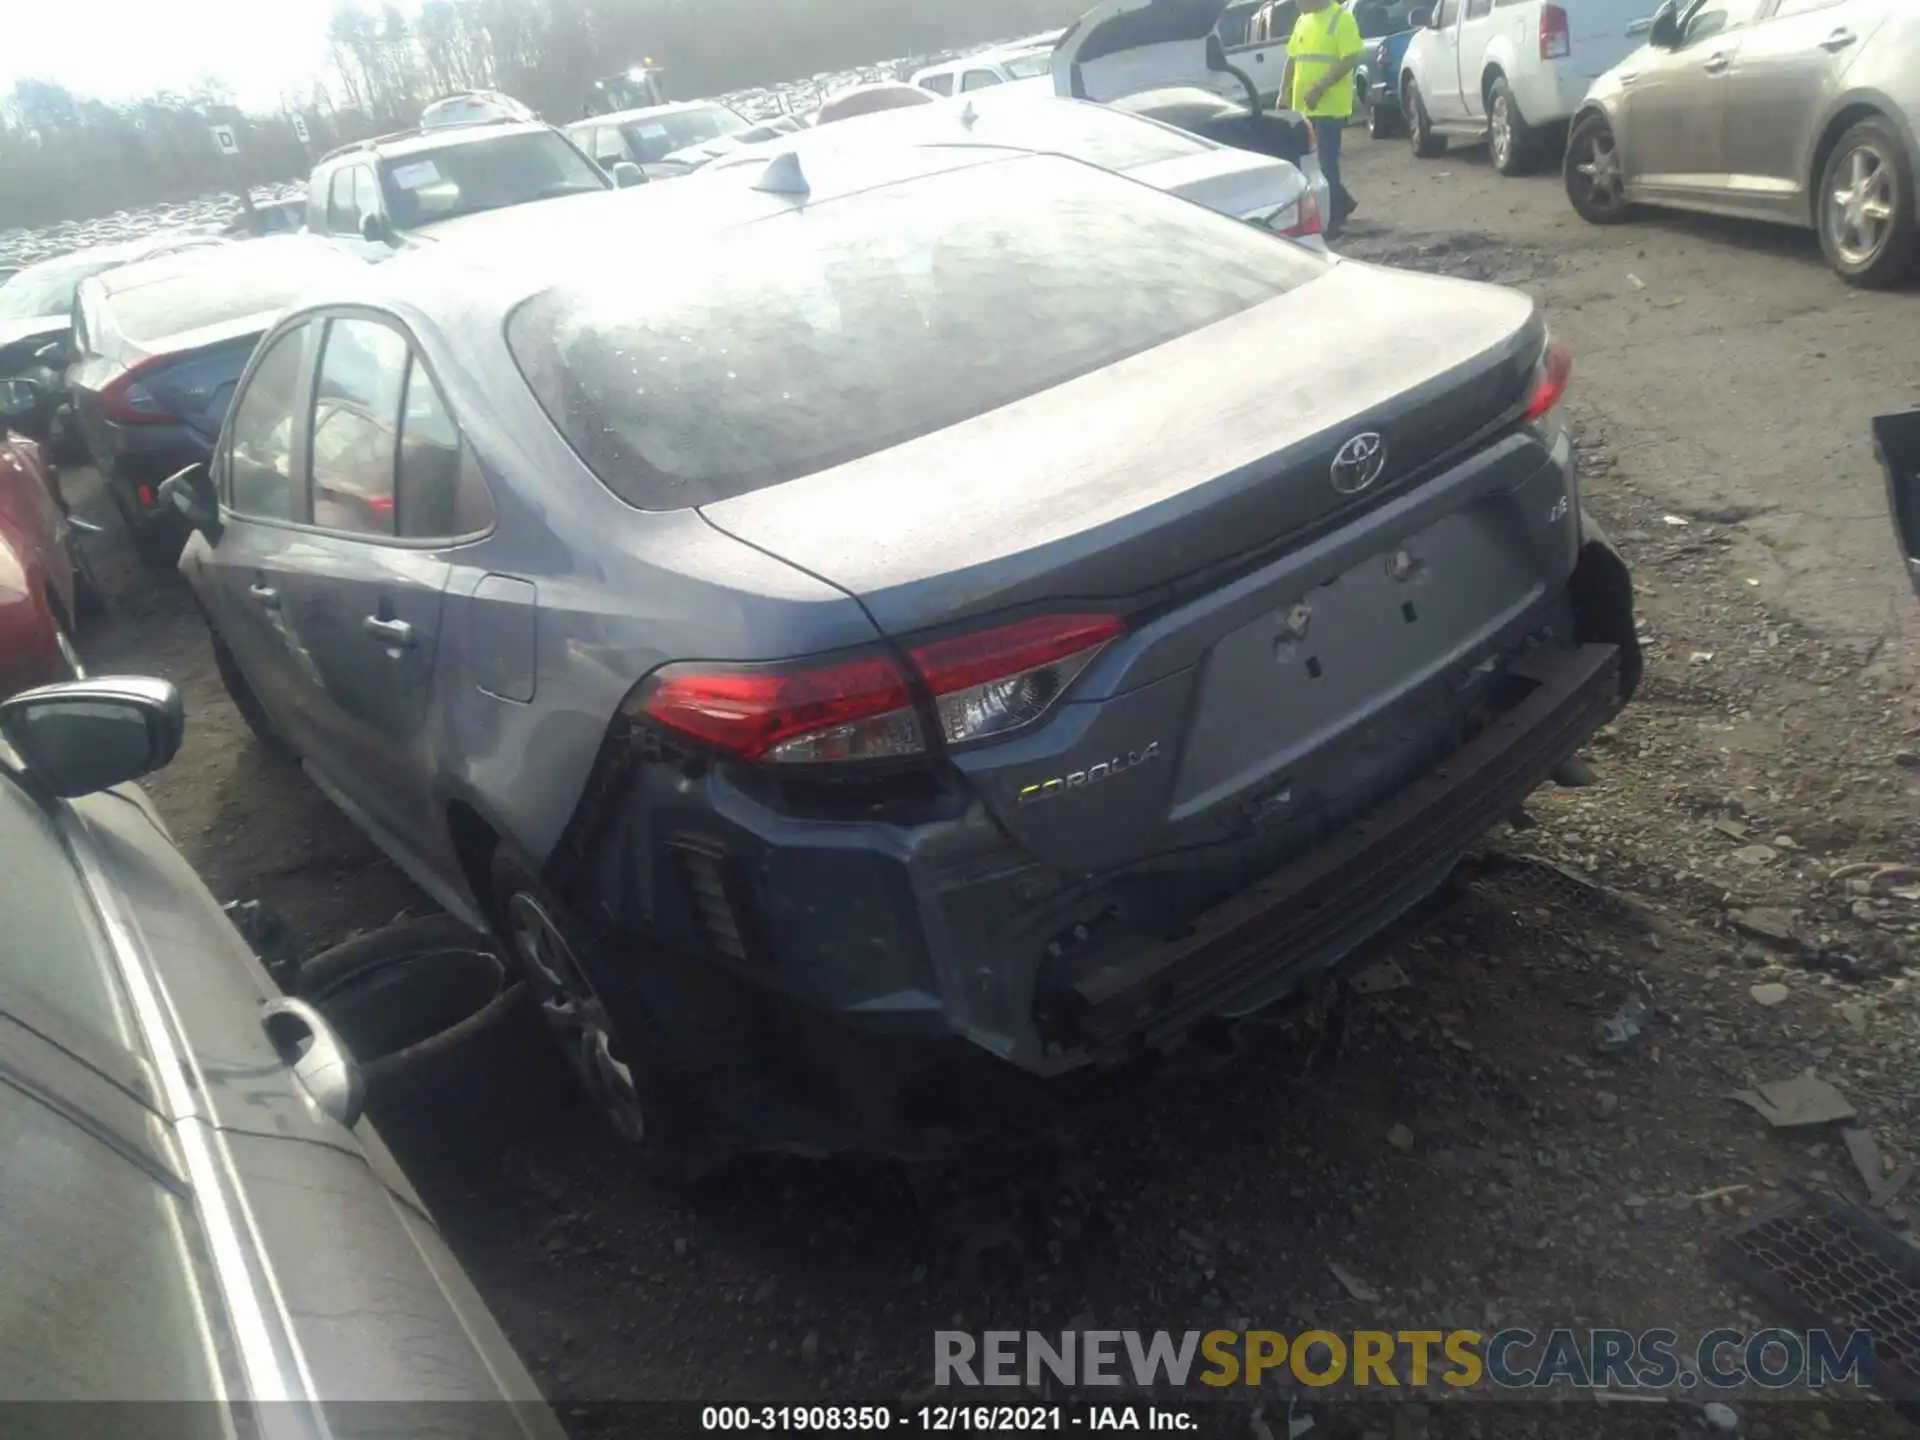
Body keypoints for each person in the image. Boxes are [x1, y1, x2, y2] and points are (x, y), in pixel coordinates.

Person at [1283, 0, 1365, 239]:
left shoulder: (1341, 19)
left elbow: (1348, 59)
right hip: (1303, 108)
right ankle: (1341, 203)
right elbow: (1292, 59)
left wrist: (1320, 87)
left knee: (1326, 163)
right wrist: (1283, 91)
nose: (1297, 3)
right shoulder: (1302, 20)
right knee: (1310, 165)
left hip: (1329, 107)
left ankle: (1334, 221)